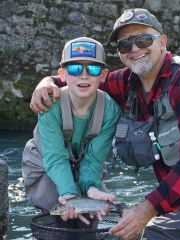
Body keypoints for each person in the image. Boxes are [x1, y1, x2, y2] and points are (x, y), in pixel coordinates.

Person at [29, 8, 180, 240]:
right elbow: (82, 80)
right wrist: (47, 82)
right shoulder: (127, 82)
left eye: (143, 39)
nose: (135, 49)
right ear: (120, 53)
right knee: (150, 235)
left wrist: (147, 208)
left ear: (162, 41)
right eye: (125, 44)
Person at [22, 36, 121, 224]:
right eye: (75, 69)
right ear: (62, 74)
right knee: (57, 212)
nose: (84, 75)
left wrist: (91, 187)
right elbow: (55, 157)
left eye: (92, 69)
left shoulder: (111, 110)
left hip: (82, 163)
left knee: (93, 211)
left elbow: (93, 159)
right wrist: (69, 196)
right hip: (45, 164)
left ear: (103, 75)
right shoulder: (50, 105)